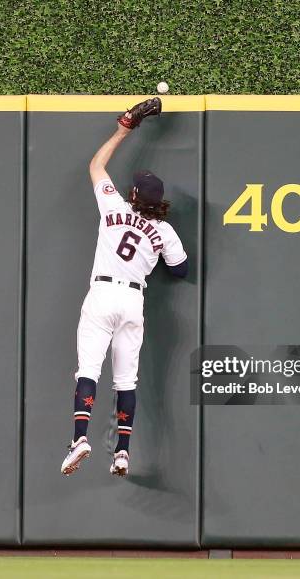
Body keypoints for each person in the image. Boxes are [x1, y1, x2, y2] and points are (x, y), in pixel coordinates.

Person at [61, 98, 188, 477]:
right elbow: (180, 270)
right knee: (126, 380)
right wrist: (157, 241)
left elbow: (96, 166)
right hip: (134, 300)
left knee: (89, 370)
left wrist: (123, 130)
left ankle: (80, 438)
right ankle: (122, 452)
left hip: (102, 294)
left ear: (133, 196)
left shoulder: (114, 207)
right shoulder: (165, 231)